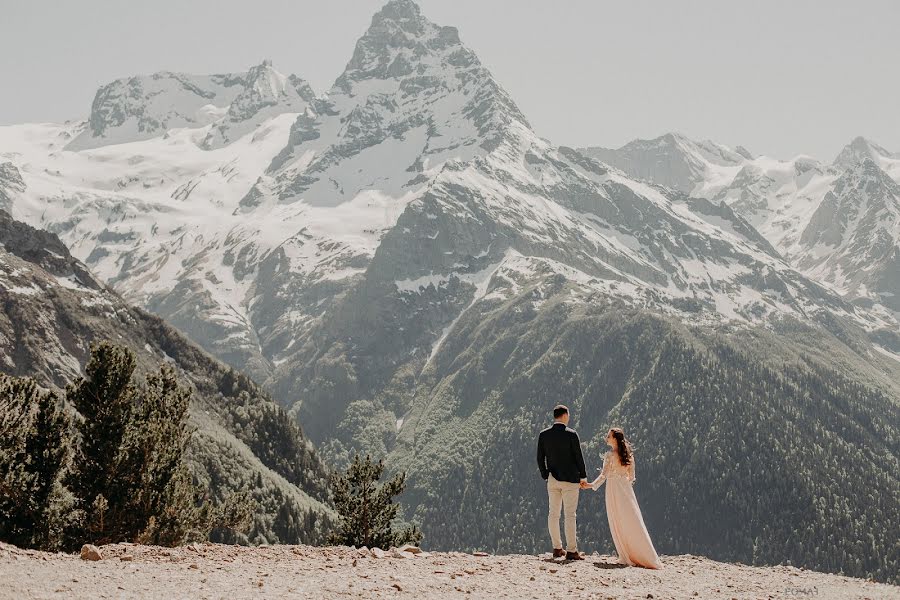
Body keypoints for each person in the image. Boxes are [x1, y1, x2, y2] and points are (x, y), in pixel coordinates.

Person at [589, 427, 661, 569]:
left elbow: (603, 475)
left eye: (608, 436)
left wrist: (591, 485)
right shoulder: (628, 455)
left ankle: (625, 554)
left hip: (613, 489)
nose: (606, 438)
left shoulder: (609, 455)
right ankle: (645, 554)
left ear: (615, 438)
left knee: (617, 519)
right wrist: (622, 480)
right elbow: (632, 477)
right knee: (632, 520)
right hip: (625, 489)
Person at [536, 405, 589, 560]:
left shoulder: (544, 435)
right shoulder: (572, 434)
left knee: (553, 514)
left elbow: (540, 458)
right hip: (571, 480)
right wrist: (583, 476)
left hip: (553, 479)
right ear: (565, 415)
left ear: (555, 416)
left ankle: (557, 548)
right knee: (570, 515)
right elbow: (579, 457)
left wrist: (546, 475)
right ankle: (572, 551)